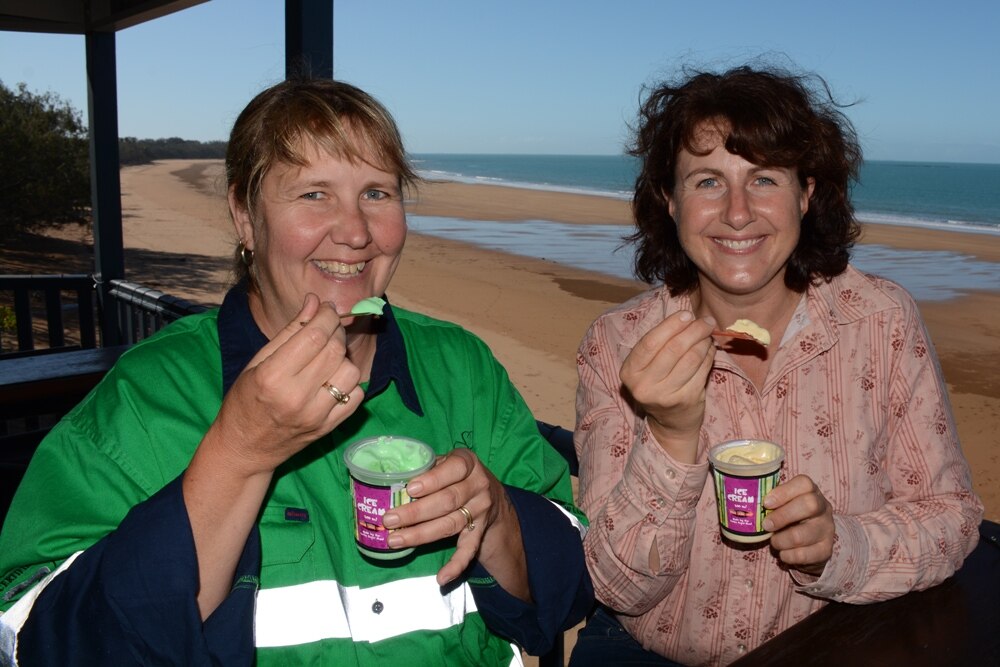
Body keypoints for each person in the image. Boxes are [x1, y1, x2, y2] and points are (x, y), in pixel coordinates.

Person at [0, 78, 592, 665]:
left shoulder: (463, 370)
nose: (356, 232)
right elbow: (35, 637)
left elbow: (571, 584)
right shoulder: (144, 397)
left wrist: (497, 517)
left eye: (378, 194)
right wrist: (237, 453)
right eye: (314, 194)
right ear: (244, 216)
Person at [569, 64, 983, 667]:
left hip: (829, 644)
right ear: (670, 200)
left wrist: (840, 548)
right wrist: (670, 435)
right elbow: (616, 588)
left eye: (764, 179)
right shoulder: (617, 343)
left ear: (806, 193)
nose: (738, 213)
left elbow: (953, 519)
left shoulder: (880, 320)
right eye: (708, 181)